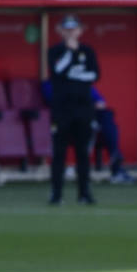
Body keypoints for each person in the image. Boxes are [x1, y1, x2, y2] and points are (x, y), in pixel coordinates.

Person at [47, 14, 100, 205]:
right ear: (60, 31)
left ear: (80, 30)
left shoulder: (88, 51)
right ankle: (56, 194)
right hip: (62, 110)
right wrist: (70, 54)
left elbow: (94, 75)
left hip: (83, 110)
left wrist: (75, 74)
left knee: (83, 154)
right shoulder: (54, 51)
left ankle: (84, 193)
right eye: (67, 29)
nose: (70, 32)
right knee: (59, 153)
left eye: (74, 29)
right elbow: (57, 72)